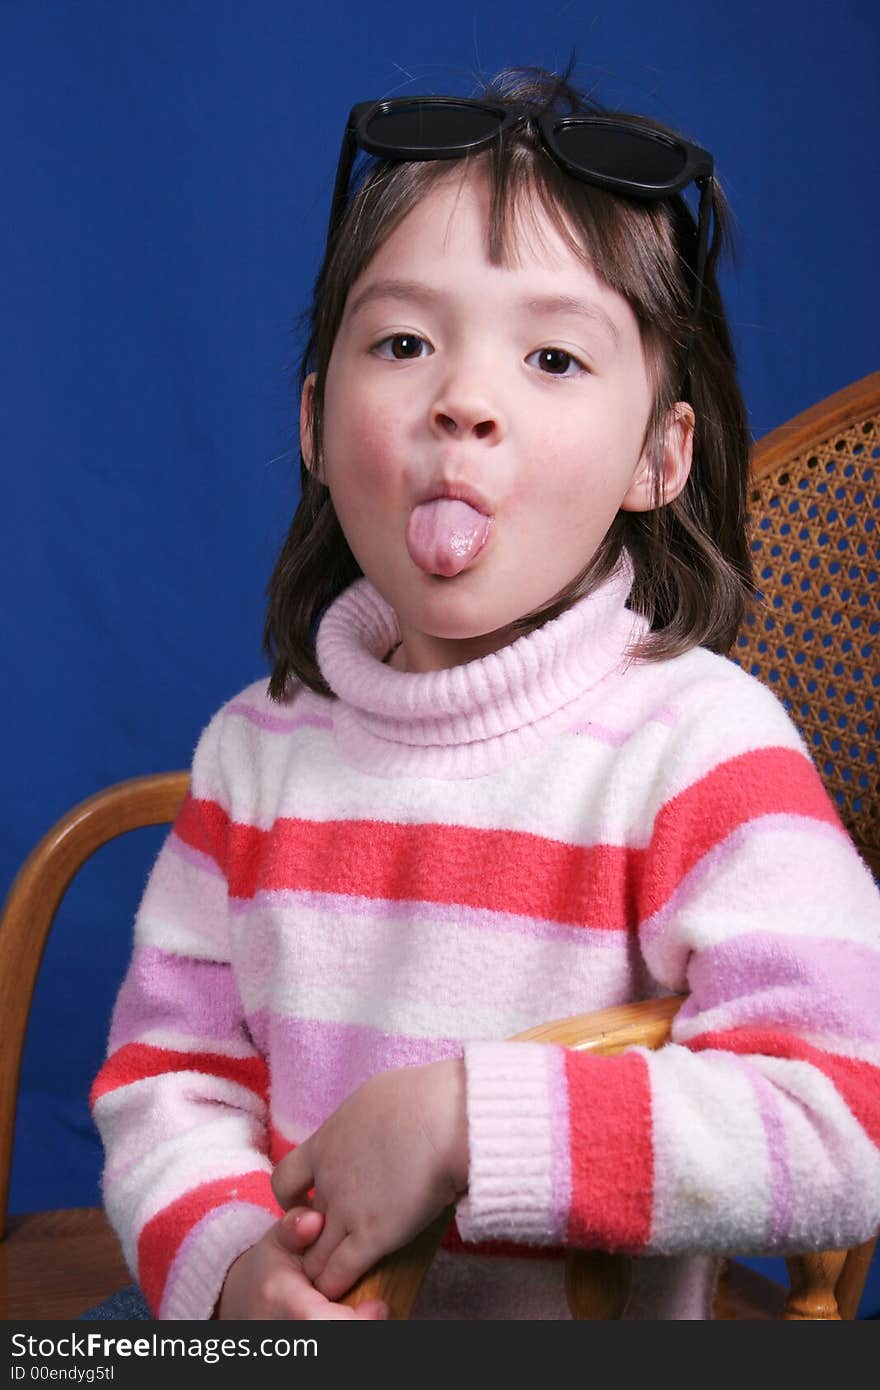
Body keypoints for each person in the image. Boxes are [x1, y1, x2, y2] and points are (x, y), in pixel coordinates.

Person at [90, 66, 880, 1321]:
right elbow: (169, 1079)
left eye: (554, 355)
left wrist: (470, 1122)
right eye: (403, 342)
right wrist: (233, 1269)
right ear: (314, 420)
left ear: (655, 455)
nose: (462, 399)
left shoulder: (697, 747)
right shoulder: (253, 754)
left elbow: (841, 1120)